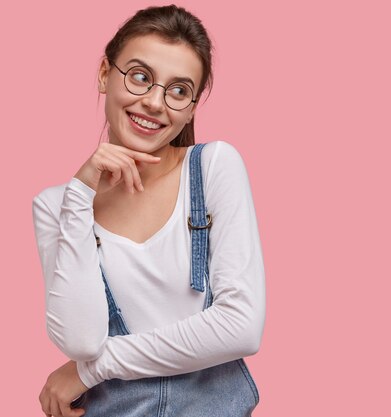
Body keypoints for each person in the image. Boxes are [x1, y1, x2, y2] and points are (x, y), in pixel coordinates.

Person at [31, 5, 266, 417]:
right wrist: (81, 191)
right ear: (106, 74)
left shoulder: (213, 168)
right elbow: (81, 341)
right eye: (140, 77)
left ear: (192, 107)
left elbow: (240, 327)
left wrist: (91, 371)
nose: (155, 103)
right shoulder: (57, 205)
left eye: (178, 90)